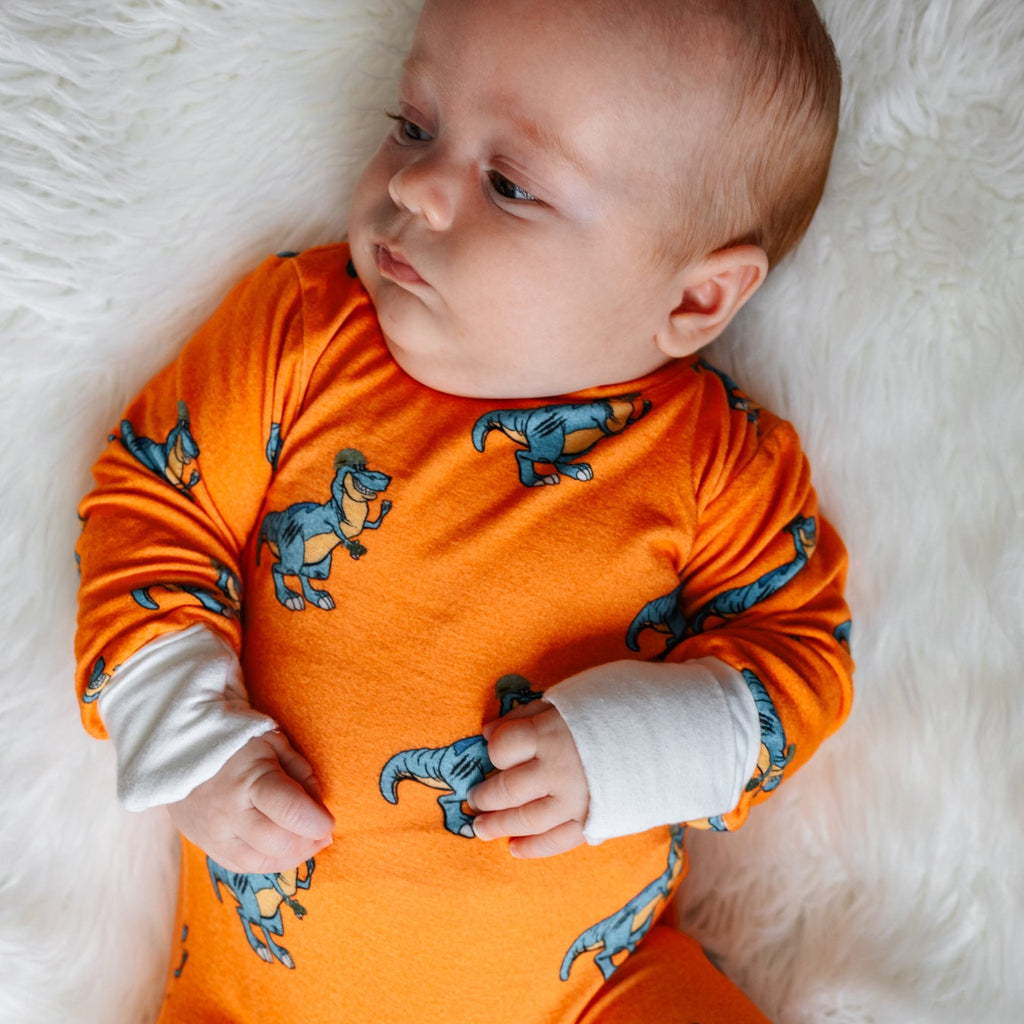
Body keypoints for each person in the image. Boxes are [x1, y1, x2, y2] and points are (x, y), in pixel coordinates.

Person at [74, 0, 853, 1020]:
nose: (415, 184)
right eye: (413, 123)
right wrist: (188, 745)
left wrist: (634, 750)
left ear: (696, 301)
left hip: (590, 994)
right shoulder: (301, 336)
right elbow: (149, 502)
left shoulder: (713, 460)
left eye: (509, 183)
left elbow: (801, 657)